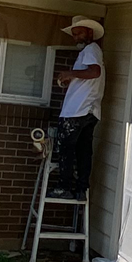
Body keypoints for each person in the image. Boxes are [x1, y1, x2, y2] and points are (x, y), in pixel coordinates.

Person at [52, 16, 104, 200]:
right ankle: (82, 189)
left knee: (65, 147)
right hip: (90, 110)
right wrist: (73, 79)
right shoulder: (93, 51)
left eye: (79, 33)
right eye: (74, 35)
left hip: (77, 109)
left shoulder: (91, 49)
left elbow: (94, 71)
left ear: (90, 32)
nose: (76, 38)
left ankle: (64, 187)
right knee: (83, 151)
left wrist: (69, 73)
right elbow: (90, 76)